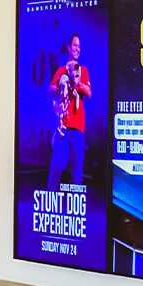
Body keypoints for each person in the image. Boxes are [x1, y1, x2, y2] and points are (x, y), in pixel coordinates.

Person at [46, 34, 92, 188]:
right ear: (69, 48)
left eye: (79, 46)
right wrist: (61, 84)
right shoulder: (61, 70)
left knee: (78, 168)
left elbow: (89, 92)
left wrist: (76, 83)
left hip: (78, 126)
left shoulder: (83, 71)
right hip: (63, 127)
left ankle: (77, 201)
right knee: (57, 165)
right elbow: (50, 90)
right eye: (75, 45)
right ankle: (49, 199)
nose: (77, 49)